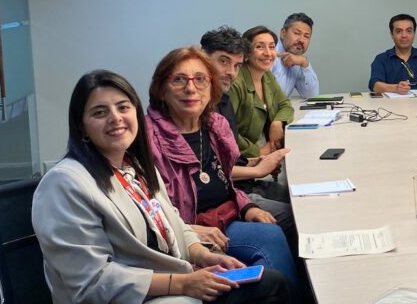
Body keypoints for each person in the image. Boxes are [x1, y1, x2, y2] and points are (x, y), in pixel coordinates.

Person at [33, 70, 292, 303]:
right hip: (133, 297)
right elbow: (92, 281)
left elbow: (173, 222)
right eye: (100, 112)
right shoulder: (64, 183)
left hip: (171, 282)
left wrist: (204, 256)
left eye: (123, 107)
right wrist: (182, 283)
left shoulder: (134, 166)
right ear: (82, 127)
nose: (115, 118)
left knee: (271, 283)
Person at [145, 47, 301, 291]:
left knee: (293, 220)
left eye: (200, 79)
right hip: (190, 229)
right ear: (161, 90)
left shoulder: (214, 125)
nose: (191, 88)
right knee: (268, 246)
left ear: (211, 87)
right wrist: (187, 231)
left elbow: (226, 182)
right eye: (179, 79)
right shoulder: (146, 138)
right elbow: (144, 208)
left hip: (227, 214)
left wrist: (247, 206)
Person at [201, 27, 295, 246]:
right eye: (223, 61)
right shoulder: (206, 106)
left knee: (298, 199)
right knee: (294, 217)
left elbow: (224, 157)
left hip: (239, 184)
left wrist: (254, 161)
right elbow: (207, 174)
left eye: (236, 65)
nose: (231, 72)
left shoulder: (222, 101)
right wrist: (258, 167)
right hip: (226, 197)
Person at [229, 26, 295, 159]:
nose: (268, 53)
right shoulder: (235, 84)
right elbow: (227, 131)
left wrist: (278, 122)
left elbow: (285, 105)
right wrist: (258, 152)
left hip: (267, 150)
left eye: (272, 47)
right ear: (246, 53)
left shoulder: (267, 75)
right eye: (260, 47)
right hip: (243, 158)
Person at [369, 13, 417, 94]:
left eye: (409, 31)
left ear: (414, 34)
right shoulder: (381, 59)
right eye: (398, 31)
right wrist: (395, 88)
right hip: (392, 102)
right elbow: (374, 85)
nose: (404, 35)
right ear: (392, 35)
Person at [271, 13, 320, 99]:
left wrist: (305, 62)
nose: (301, 40)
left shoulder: (296, 59)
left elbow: (311, 95)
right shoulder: (269, 54)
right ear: (283, 33)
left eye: (306, 36)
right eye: (297, 33)